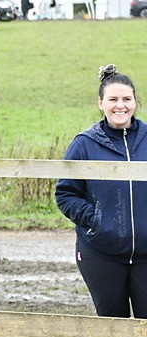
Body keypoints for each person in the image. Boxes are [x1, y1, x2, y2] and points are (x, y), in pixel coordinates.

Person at [55, 64, 147, 318]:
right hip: (101, 254)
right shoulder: (84, 144)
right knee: (111, 325)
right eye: (113, 99)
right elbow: (66, 194)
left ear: (135, 102)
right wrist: (96, 219)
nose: (120, 106)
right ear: (100, 103)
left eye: (126, 99)